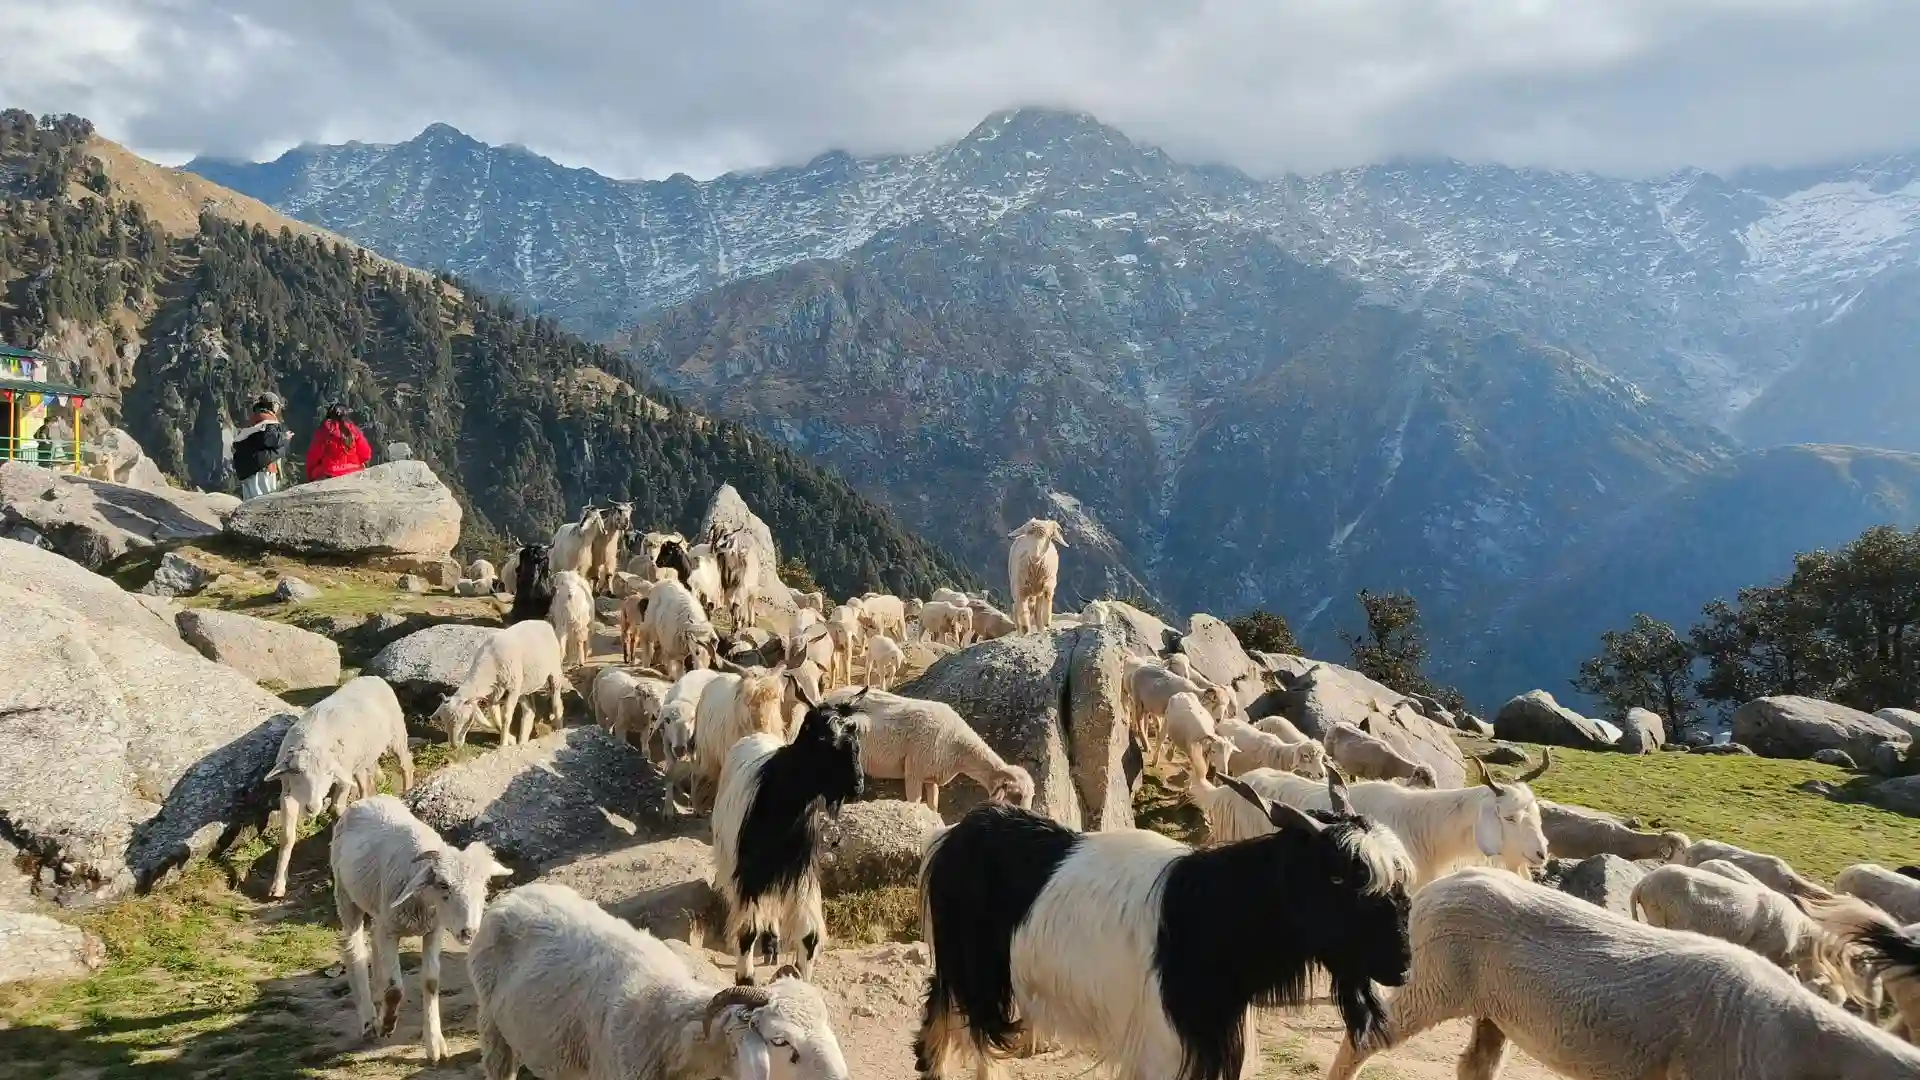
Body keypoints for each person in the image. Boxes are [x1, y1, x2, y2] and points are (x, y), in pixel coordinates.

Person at [232, 394, 288, 500]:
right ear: (273, 406)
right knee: (264, 503)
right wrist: (284, 439)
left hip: (247, 471)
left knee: (250, 504)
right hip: (262, 470)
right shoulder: (267, 419)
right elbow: (270, 439)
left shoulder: (253, 420)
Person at [304, 401, 372, 482]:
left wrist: (310, 476)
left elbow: (313, 457)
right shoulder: (355, 431)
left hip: (329, 473)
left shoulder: (323, 431)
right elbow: (366, 454)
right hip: (354, 470)